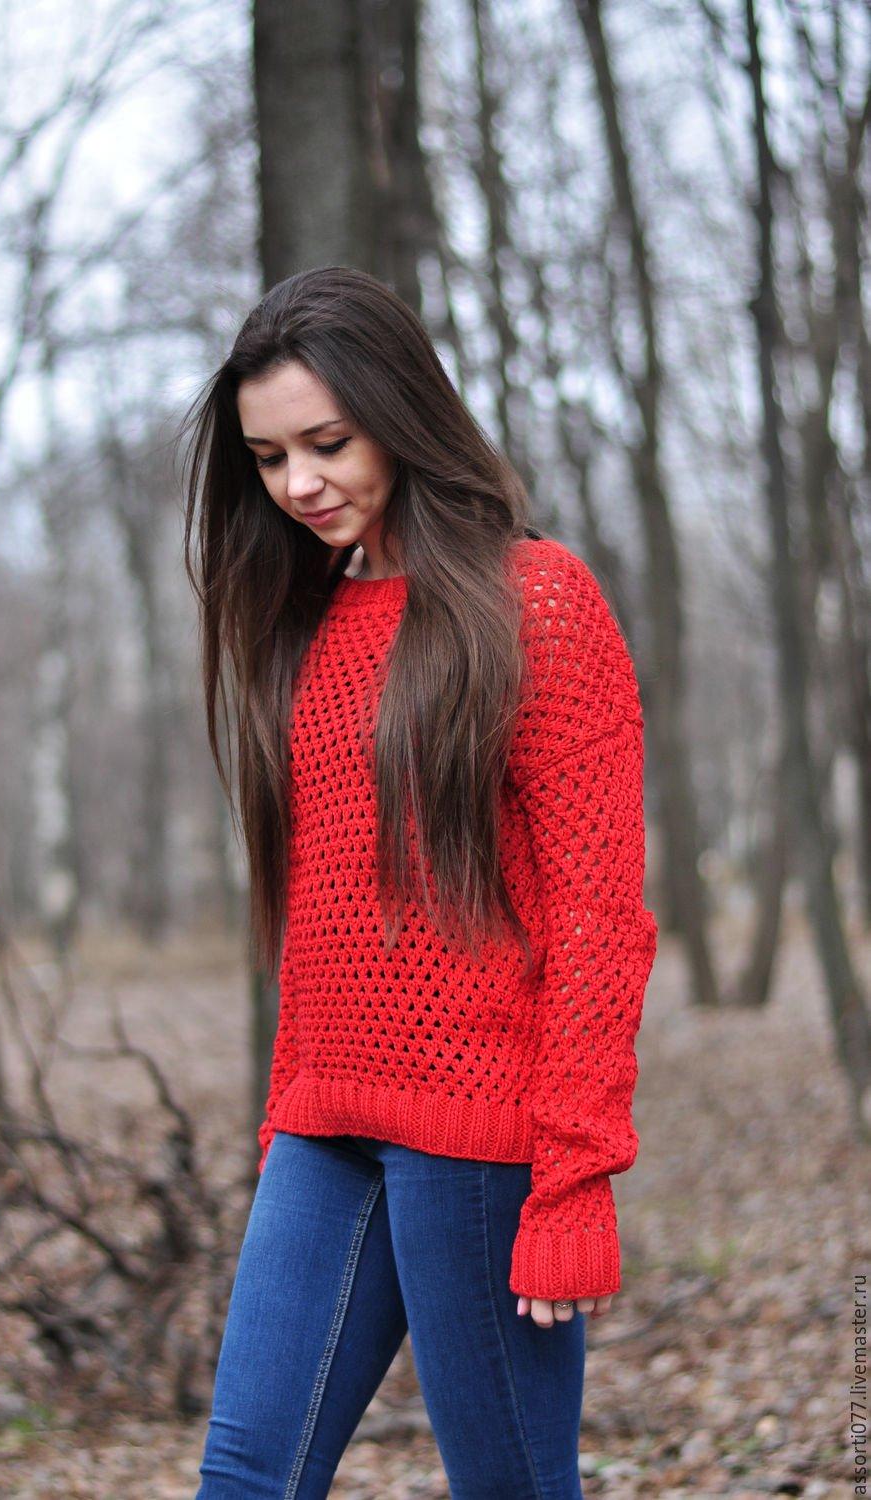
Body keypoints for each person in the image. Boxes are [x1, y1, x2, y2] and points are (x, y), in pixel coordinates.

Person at [177, 265, 659, 1499]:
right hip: (326, 1124)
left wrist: (573, 1179)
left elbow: (597, 915)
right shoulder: (306, 619)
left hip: (480, 1136)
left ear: (400, 413)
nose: (297, 484)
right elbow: (325, 908)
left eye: (326, 443)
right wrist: (286, 1103)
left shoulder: (532, 601)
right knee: (244, 1477)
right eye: (268, 457)